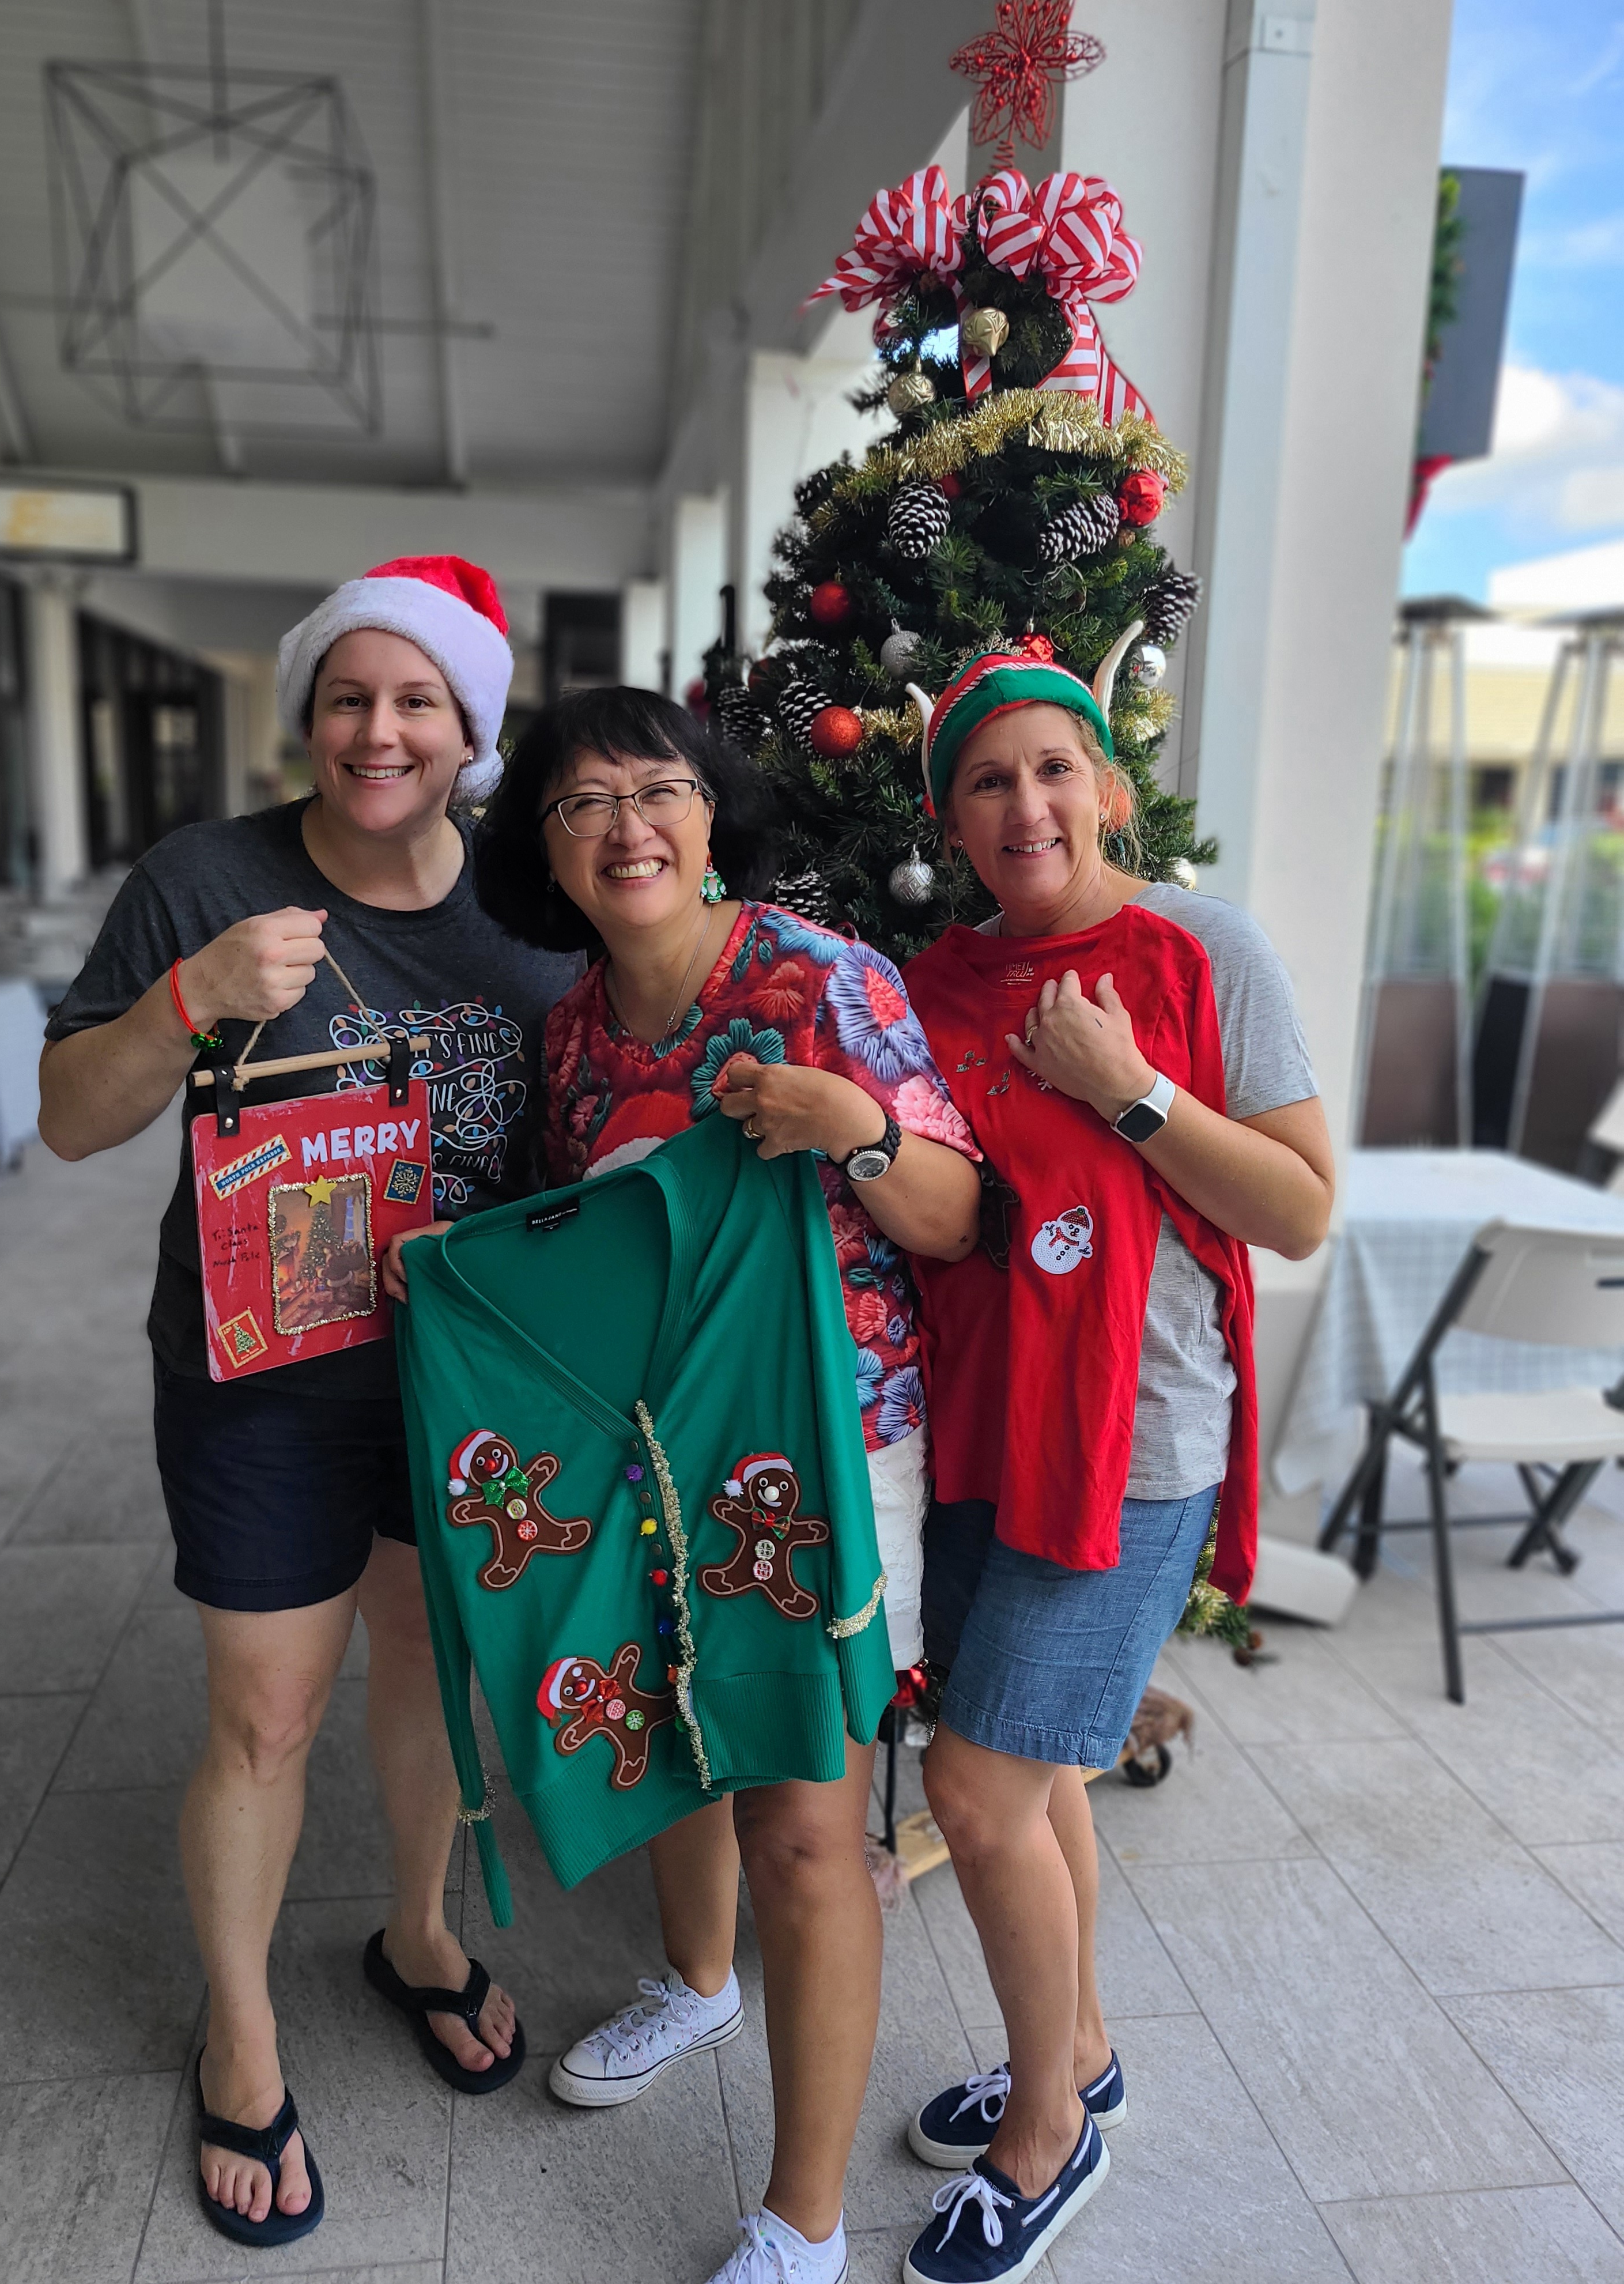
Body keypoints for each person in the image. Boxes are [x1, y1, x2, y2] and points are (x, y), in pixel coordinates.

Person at [39, 558, 576, 2252]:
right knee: (267, 1718)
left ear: (471, 731)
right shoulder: (205, 879)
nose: (380, 732)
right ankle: (242, 2030)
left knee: (425, 1668)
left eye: (419, 701)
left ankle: (416, 1933)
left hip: (462, 1370)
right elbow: (68, 1117)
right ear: (308, 716)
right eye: (350, 697)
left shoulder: (532, 900)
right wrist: (189, 999)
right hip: (257, 1377)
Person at [460, 684, 981, 2284]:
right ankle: (697, 1986)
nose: (625, 827)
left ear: (709, 815)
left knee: (809, 1827)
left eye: (658, 790)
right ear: (546, 851)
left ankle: (804, 2221)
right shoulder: (570, 1037)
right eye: (582, 803)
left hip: (824, 1452)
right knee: (673, 1749)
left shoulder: (823, 981)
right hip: (649, 1453)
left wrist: (855, 1129)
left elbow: (956, 1217)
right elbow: (583, 1256)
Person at [893, 645, 1335, 2284]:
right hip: (980, 1429)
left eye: (1054, 769)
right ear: (950, 821)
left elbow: (1298, 1209)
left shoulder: (1205, 950)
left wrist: (1130, 1088)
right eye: (988, 781)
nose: (1027, 806)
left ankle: (1046, 2137)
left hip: (1135, 1447)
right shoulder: (931, 984)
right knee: (1042, 1773)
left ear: (1112, 788)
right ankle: (1075, 2052)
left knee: (975, 1788)